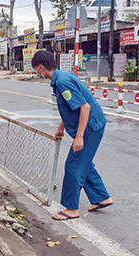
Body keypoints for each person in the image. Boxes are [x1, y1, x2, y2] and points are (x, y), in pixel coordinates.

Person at [31, 50, 112, 221]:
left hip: (91, 127)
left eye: (36, 70)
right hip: (92, 125)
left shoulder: (62, 82)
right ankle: (101, 197)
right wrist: (62, 127)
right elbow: (70, 108)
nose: (37, 74)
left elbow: (85, 108)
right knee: (84, 163)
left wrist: (80, 137)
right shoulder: (61, 78)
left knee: (73, 165)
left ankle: (71, 208)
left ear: (41, 67)